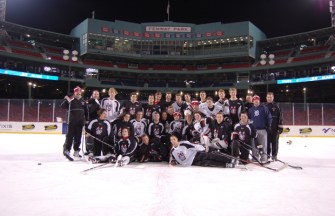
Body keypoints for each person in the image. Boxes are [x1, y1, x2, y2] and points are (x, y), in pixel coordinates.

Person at [169, 134, 236, 168]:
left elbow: (194, 146)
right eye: (171, 140)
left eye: (174, 139)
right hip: (192, 163)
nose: (173, 141)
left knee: (211, 156)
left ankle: (230, 160)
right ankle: (226, 165)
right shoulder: (172, 151)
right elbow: (173, 159)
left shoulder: (183, 143)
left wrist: (203, 148)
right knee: (209, 163)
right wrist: (172, 162)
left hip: (196, 155)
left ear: (177, 139)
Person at [61, 86, 88, 161]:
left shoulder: (83, 101)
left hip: (80, 123)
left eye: (79, 92)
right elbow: (62, 106)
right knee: (69, 137)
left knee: (78, 138)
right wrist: (66, 100)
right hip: (71, 122)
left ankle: (76, 151)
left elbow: (86, 112)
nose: (78, 93)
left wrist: (87, 120)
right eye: (77, 92)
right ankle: (67, 150)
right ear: (74, 92)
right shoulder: (71, 100)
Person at [248, 95, 272, 163]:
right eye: (255, 100)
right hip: (254, 130)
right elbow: (249, 119)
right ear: (253, 101)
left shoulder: (264, 108)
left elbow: (269, 117)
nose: (256, 101)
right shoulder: (250, 109)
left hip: (262, 129)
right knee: (254, 145)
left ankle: (264, 158)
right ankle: (255, 158)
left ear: (259, 100)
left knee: (263, 145)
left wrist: (269, 125)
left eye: (257, 100)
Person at [265, 92, 283, 161]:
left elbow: (280, 117)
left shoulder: (277, 106)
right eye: (268, 97)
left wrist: (280, 127)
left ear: (273, 97)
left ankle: (274, 155)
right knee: (267, 142)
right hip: (266, 128)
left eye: (271, 97)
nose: (269, 98)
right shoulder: (264, 106)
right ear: (266, 98)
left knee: (275, 142)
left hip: (274, 128)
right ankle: (267, 155)